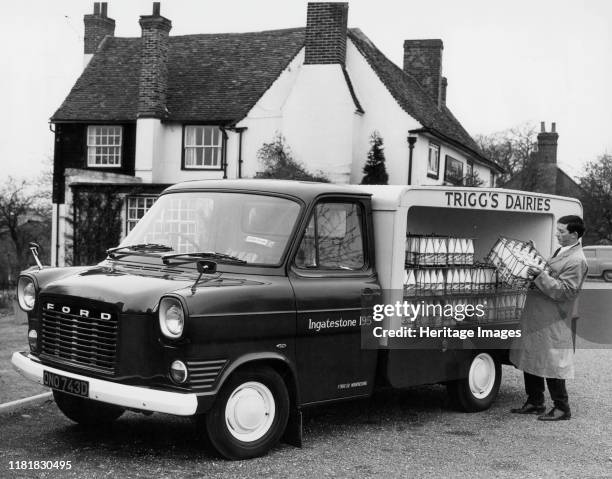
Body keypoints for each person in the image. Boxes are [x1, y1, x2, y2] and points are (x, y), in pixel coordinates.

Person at [509, 215, 588, 421]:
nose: (557, 234)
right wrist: (535, 255)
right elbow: (552, 271)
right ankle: (535, 402)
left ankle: (562, 408)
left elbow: (565, 291)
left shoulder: (577, 260)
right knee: (532, 356)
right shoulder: (564, 251)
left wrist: (539, 275)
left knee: (553, 361)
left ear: (574, 234)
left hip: (552, 318)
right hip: (538, 314)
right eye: (558, 230)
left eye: (561, 232)